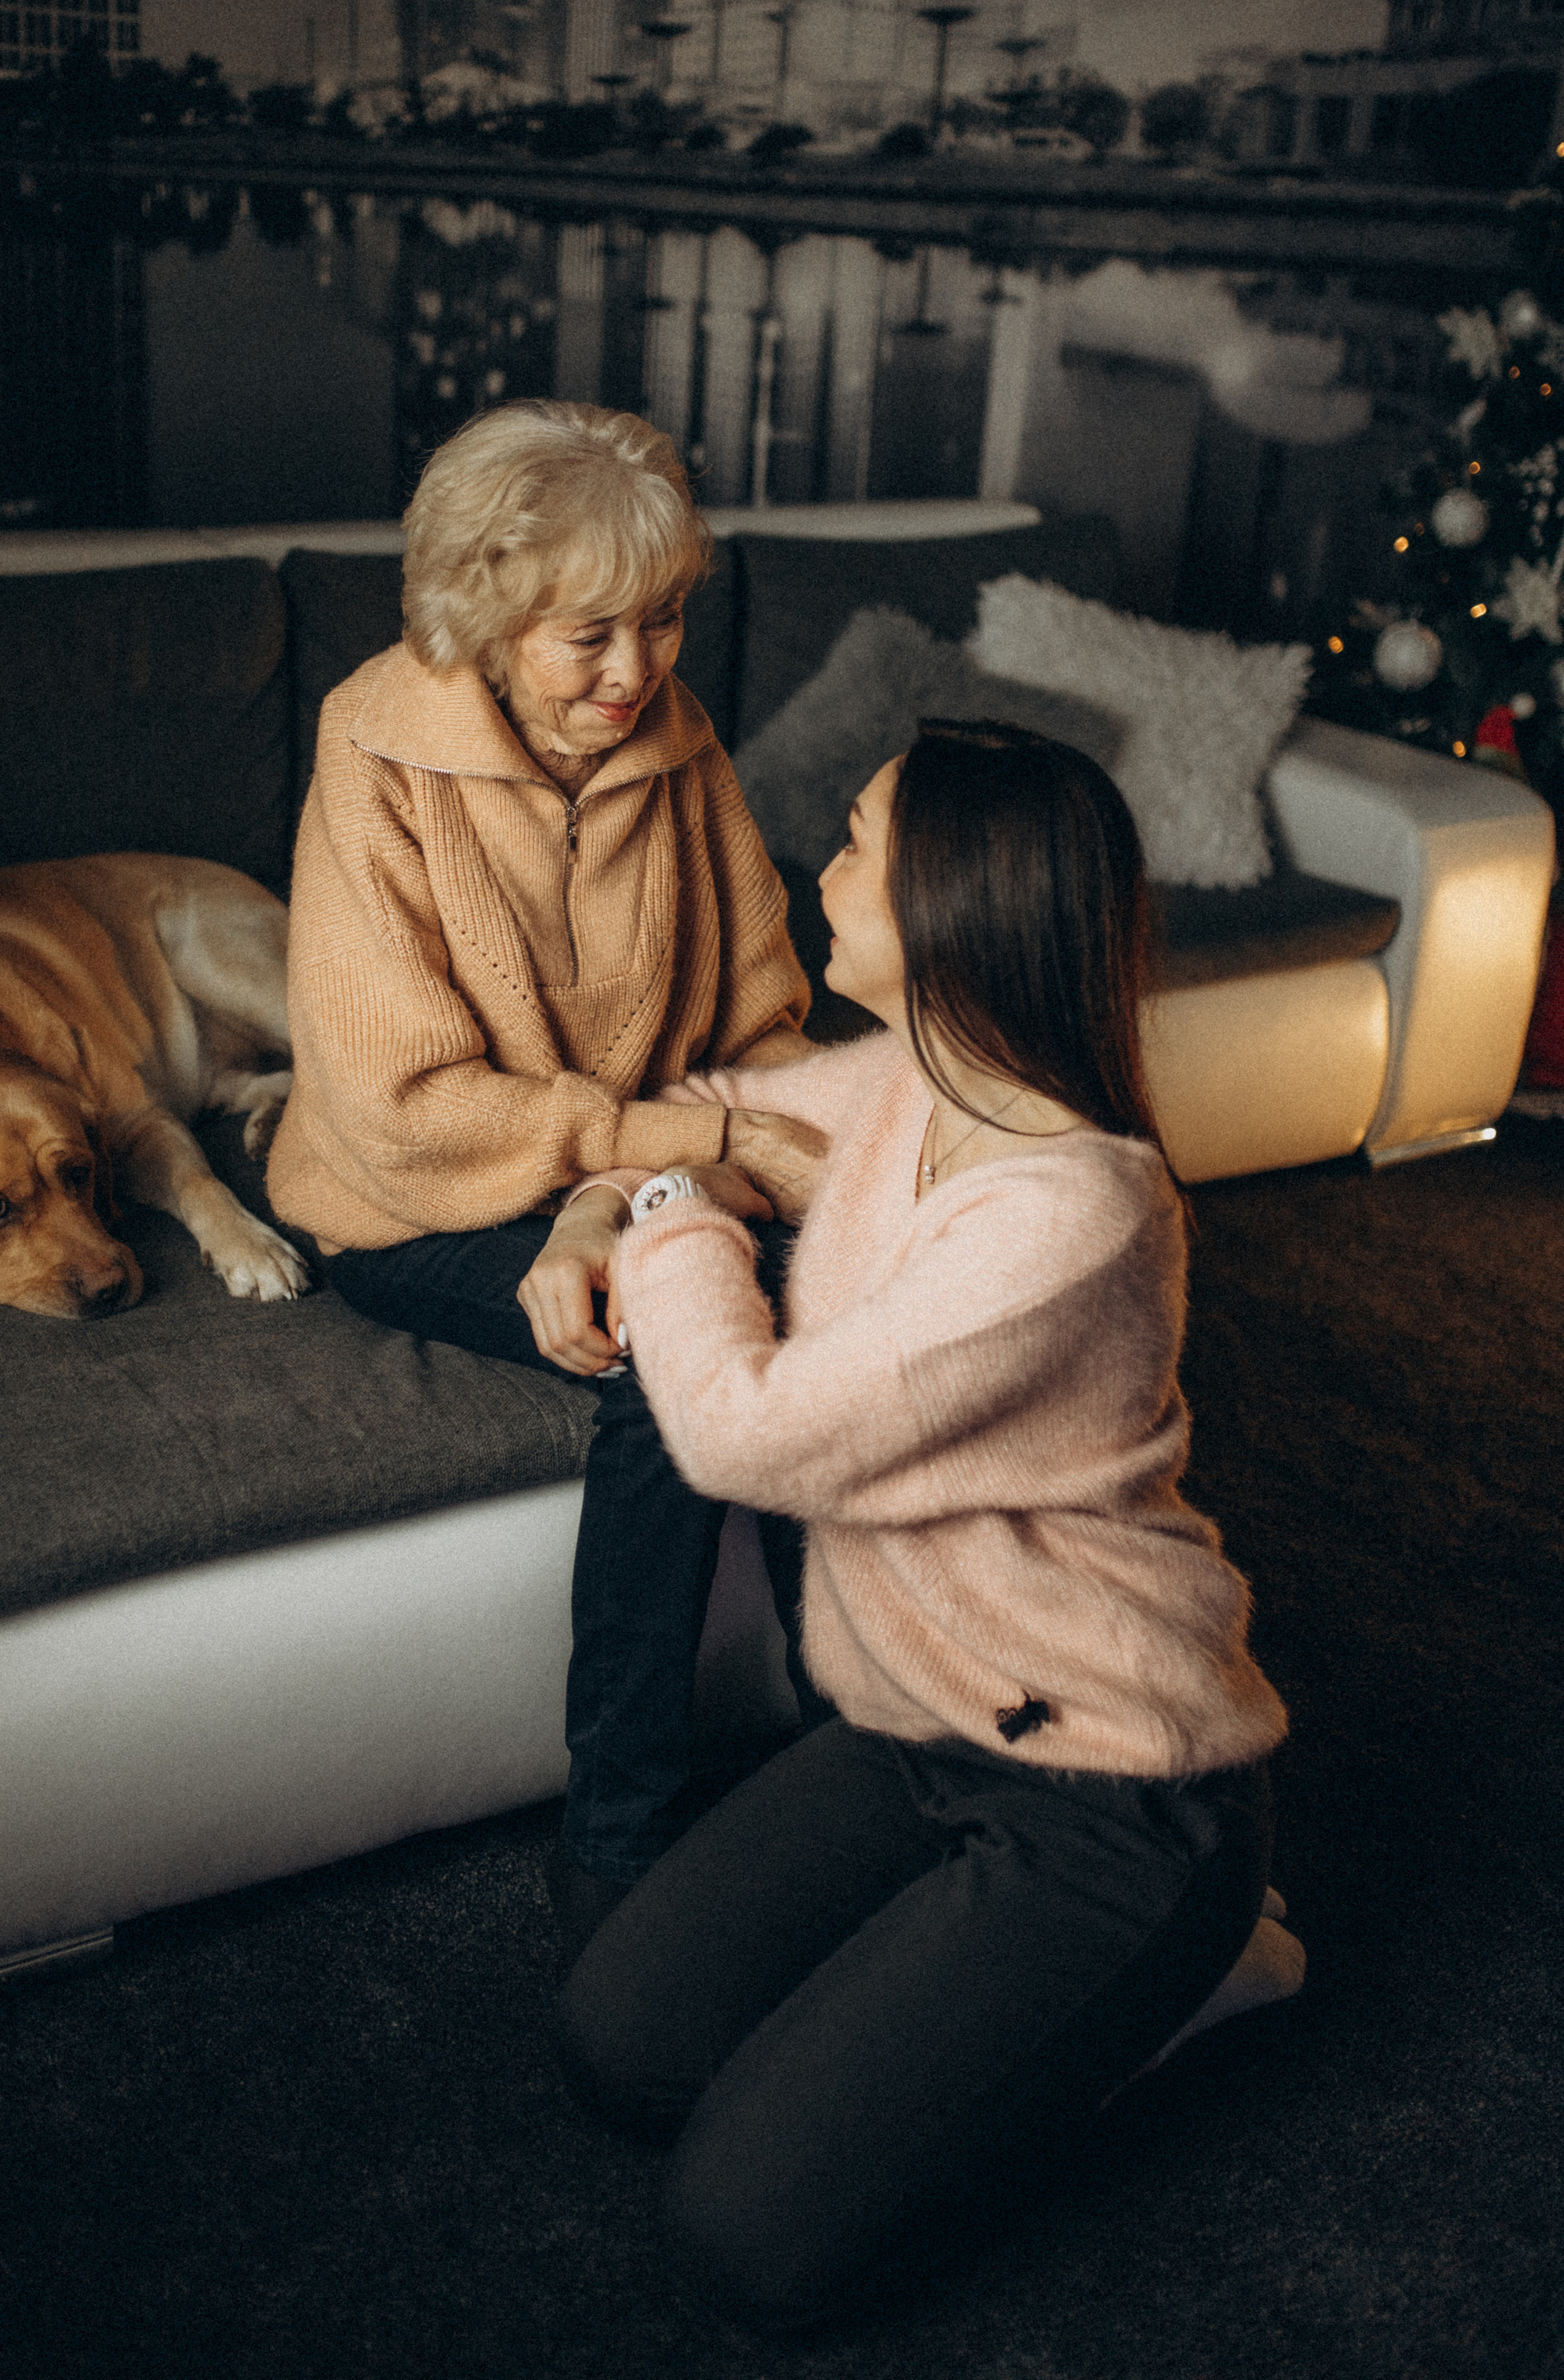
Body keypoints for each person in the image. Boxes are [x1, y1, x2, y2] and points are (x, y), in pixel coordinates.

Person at [551, 721, 1302, 2332]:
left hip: (1112, 1788)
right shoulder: (901, 1083)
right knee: (619, 2048)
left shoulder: (1071, 1208)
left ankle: (1193, 1967)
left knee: (741, 2245)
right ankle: (1022, 2000)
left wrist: (670, 1211)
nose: (819, 860)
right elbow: (696, 1104)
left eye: (856, 840)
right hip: (914, 1729)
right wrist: (587, 1209)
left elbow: (743, 1433)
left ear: (953, 897)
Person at [266, 400, 825, 1941]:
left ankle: (880, 1745)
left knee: (813, 1291)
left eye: (660, 623)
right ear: (485, 616)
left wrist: (675, 1174)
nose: (634, 673)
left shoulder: (675, 741)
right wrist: (681, 1151)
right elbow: (406, 1109)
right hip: (407, 1199)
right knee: (670, 1352)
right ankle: (618, 1842)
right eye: (587, 635)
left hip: (611, 1169)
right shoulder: (374, 755)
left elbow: (764, 1018)